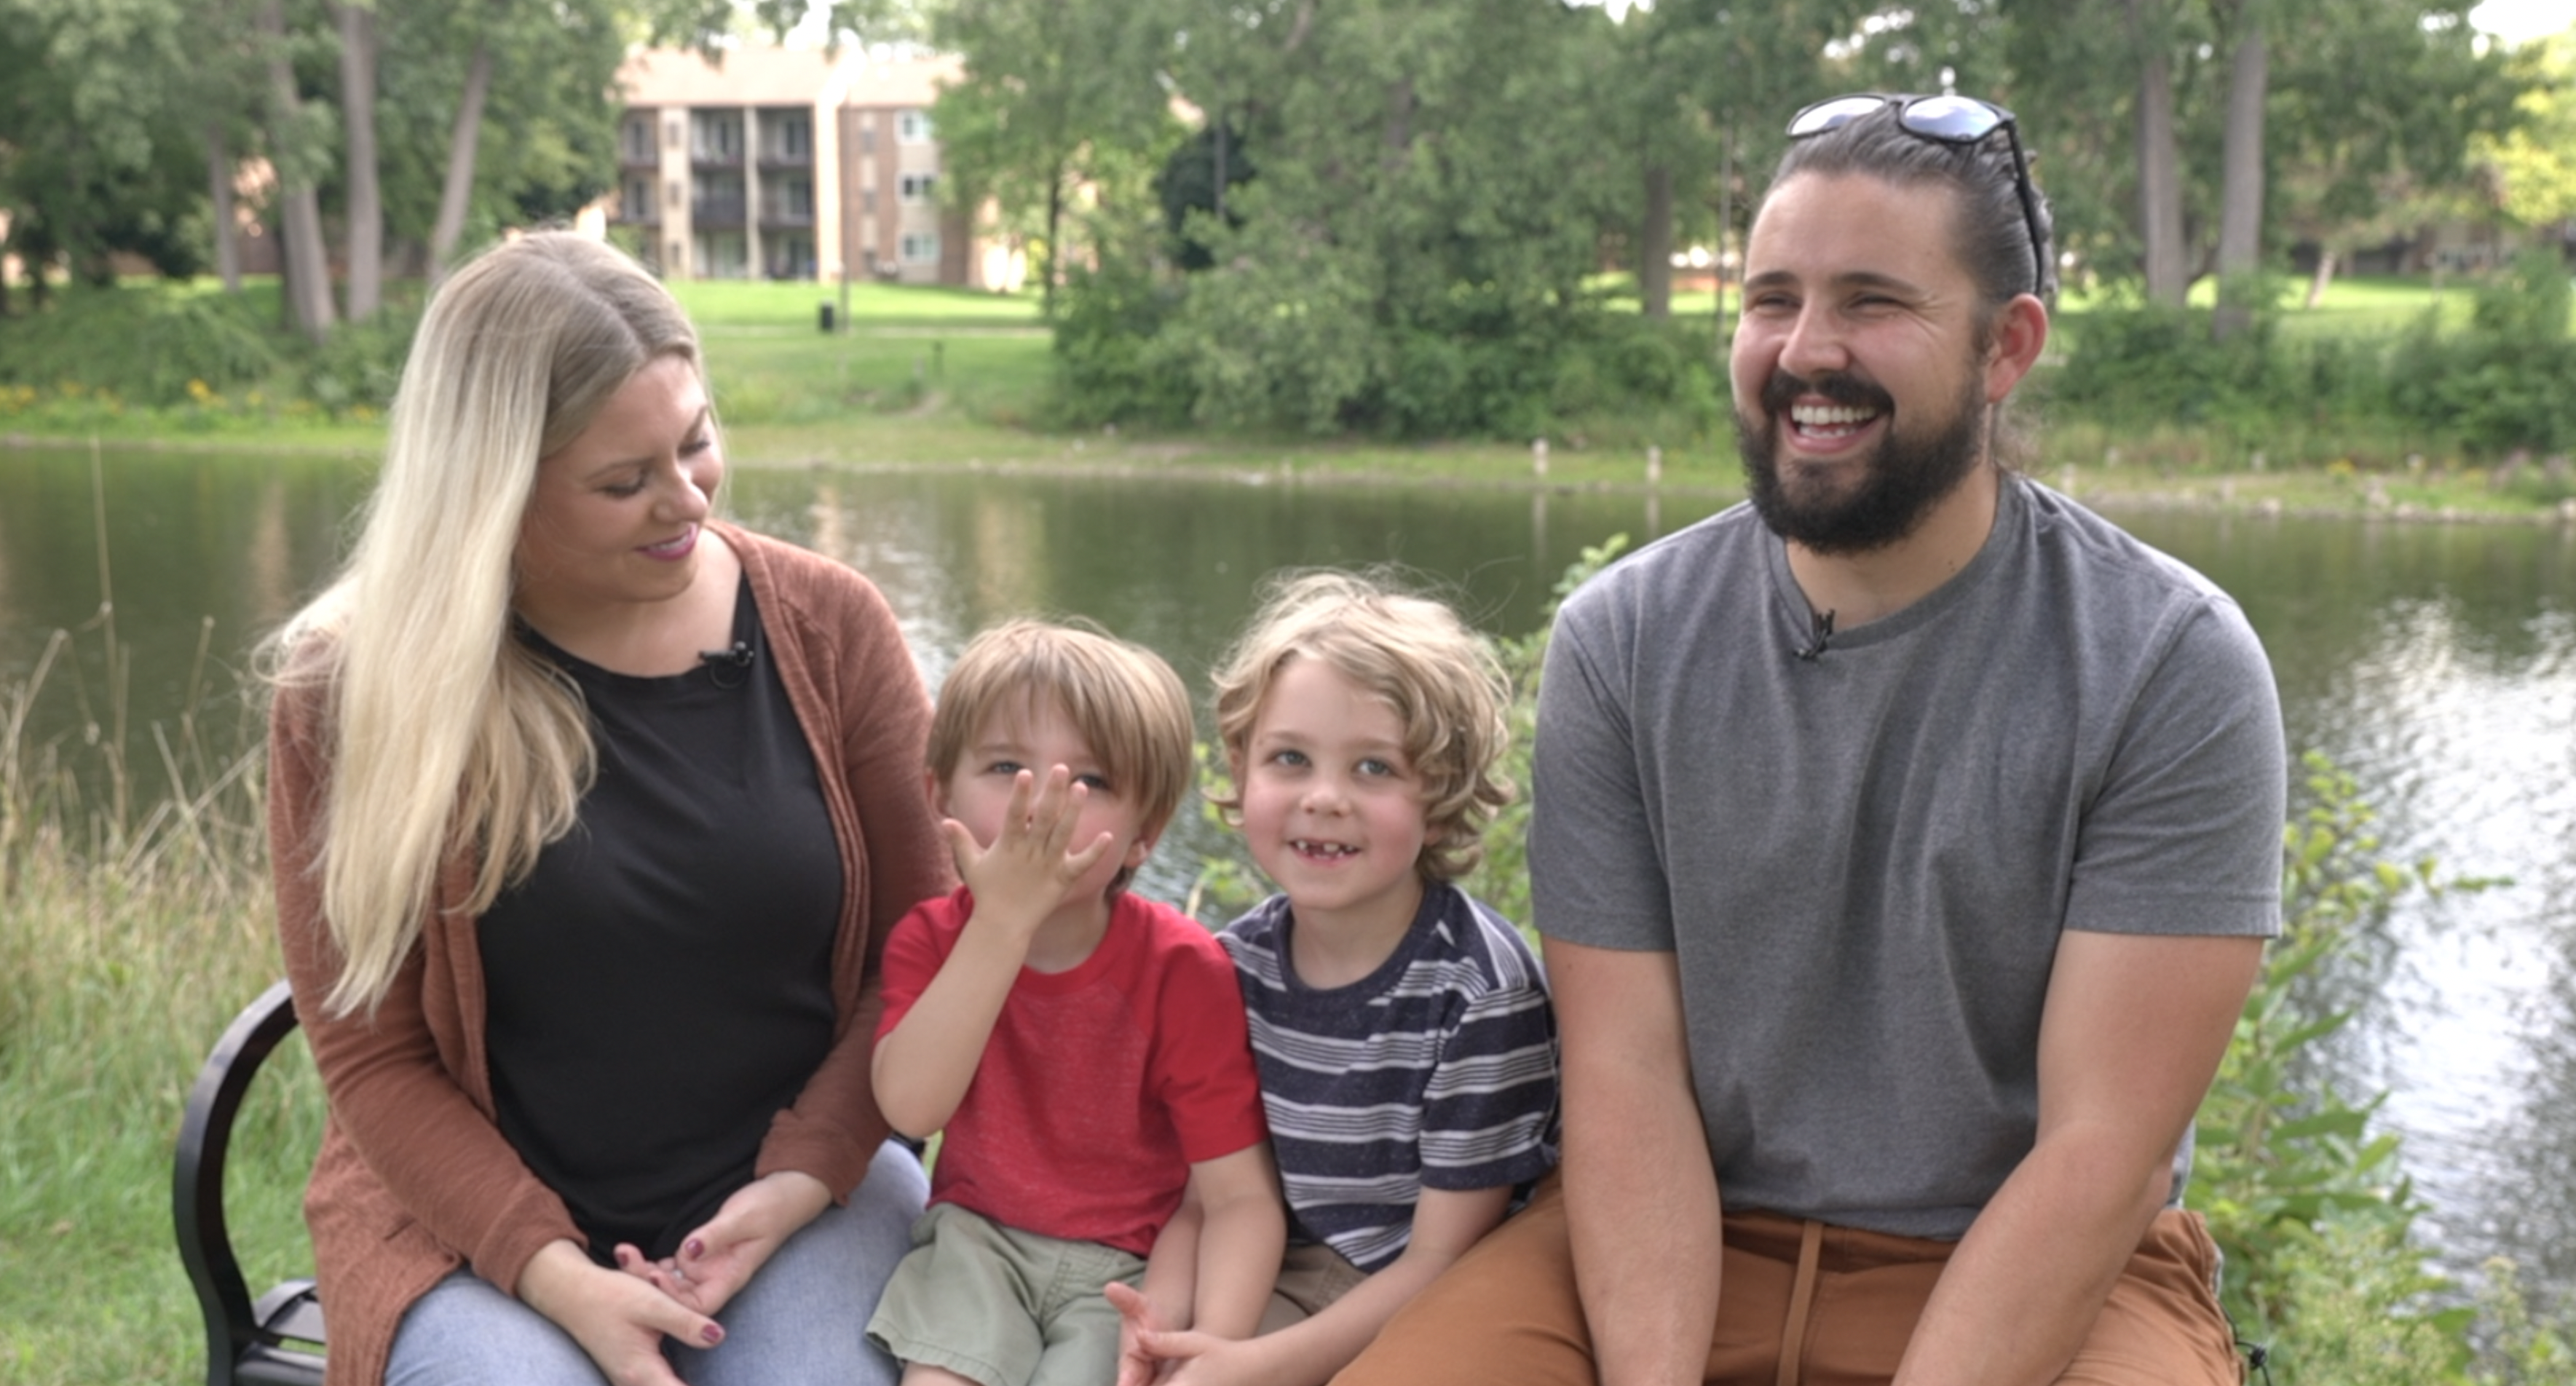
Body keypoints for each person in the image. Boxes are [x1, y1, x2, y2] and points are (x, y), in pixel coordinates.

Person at [1336, 93, 2287, 1386]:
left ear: (2005, 348)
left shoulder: (2167, 659)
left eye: (1872, 302)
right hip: (1671, 1235)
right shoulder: (1622, 636)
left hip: (2029, 1263)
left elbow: (2100, 1150)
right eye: (1770, 296)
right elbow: (1622, 1073)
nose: (1802, 349)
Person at [264, 231, 954, 1386]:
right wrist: (551, 1272)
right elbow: (372, 1059)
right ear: (492, 492)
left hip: (801, 1190)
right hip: (469, 1225)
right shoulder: (351, 690)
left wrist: (798, 1181)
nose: (683, 500)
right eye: (624, 481)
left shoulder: (833, 630)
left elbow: (918, 955)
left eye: (696, 443)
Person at [1110, 571, 1561, 1386]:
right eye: (1289, 758)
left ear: (1442, 787)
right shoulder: (1225, 966)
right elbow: (1203, 1197)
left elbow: (1442, 1254)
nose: (1324, 798)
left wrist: (1252, 1365)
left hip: (1437, 1289)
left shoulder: (1480, 991)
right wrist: (1167, 1327)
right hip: (1274, 1262)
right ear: (1242, 769)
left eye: (1374, 768)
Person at [864, 619, 1286, 1386]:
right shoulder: (932, 940)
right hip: (976, 1245)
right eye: (1004, 766)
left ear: (1142, 836)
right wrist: (999, 922)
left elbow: (1236, 1197)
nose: (1044, 804)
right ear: (939, 794)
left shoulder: (1180, 968)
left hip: (1126, 1267)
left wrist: (1208, 1350)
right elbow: (912, 1106)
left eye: (1088, 782)